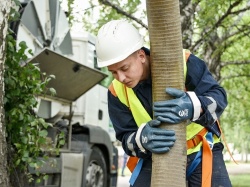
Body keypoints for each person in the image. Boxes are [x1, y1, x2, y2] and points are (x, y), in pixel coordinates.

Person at [95, 19, 232, 187]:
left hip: (201, 150)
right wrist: (142, 140)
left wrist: (193, 106)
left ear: (141, 56)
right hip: (157, 156)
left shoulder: (183, 62)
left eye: (124, 68)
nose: (120, 78)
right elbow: (125, 138)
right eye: (113, 72)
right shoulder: (116, 92)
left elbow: (219, 98)